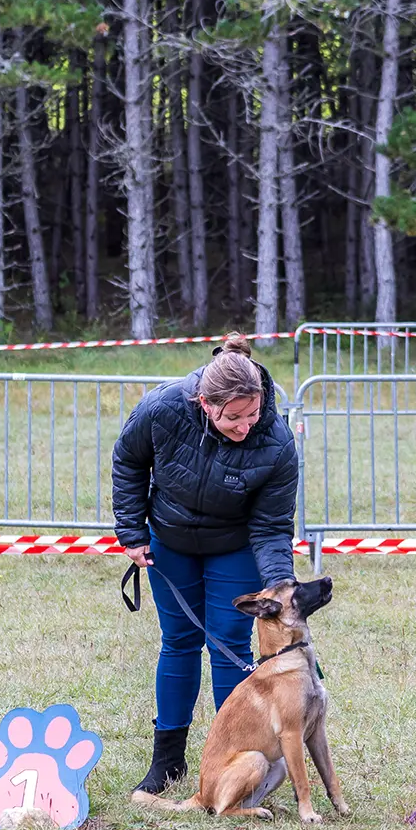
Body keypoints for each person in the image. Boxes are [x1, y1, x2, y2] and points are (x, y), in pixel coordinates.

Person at [113, 332, 300, 799]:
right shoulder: (163, 408)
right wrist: (132, 533)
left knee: (227, 642)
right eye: (233, 417)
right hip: (170, 541)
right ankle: (167, 761)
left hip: (234, 547)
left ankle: (230, 758)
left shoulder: (276, 443)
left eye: (252, 413)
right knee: (178, 642)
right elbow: (129, 461)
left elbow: (273, 523)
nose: (245, 425)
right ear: (204, 403)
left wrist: (279, 584)